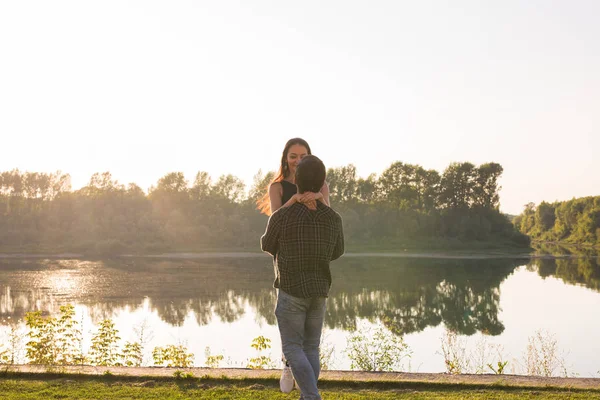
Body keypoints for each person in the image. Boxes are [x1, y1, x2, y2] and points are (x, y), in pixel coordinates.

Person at [261, 155, 344, 400]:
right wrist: (323, 203)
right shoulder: (333, 218)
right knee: (310, 348)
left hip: (291, 292)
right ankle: (308, 396)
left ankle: (311, 397)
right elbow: (337, 252)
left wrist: (290, 203)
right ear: (322, 184)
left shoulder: (283, 216)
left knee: (293, 348)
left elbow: (267, 244)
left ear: (296, 180)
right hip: (319, 291)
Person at [257, 138, 329, 216]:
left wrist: (320, 198)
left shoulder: (322, 185)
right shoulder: (276, 187)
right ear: (285, 159)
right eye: (293, 157)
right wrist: (294, 199)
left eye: (303, 157)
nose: (298, 161)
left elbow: (330, 217)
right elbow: (274, 219)